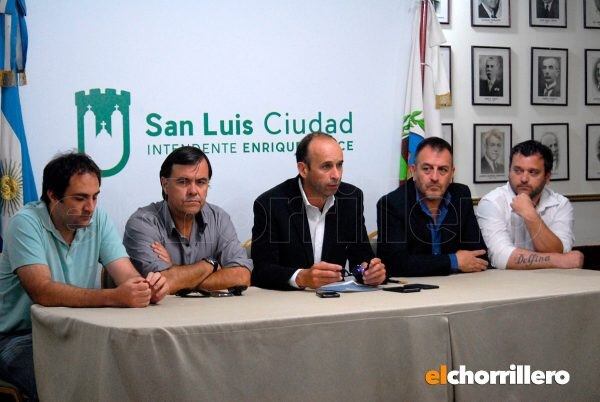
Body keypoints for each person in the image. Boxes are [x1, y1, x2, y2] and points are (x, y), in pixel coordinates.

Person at [0, 152, 168, 400]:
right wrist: (115, 297)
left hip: (80, 332)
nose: (90, 207)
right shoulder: (25, 223)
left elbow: (128, 278)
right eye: (80, 198)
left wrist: (147, 288)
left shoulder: (97, 219)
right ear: (53, 196)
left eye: (95, 197)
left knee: (133, 372)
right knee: (66, 385)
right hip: (21, 336)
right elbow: (42, 292)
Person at [251, 132, 386, 290]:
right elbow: (262, 271)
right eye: (326, 166)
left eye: (339, 165)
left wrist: (370, 272)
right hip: (287, 302)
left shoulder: (350, 198)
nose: (336, 175)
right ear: (303, 169)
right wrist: (301, 277)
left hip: (335, 301)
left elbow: (361, 258)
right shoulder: (271, 204)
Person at [124, 146, 252, 294]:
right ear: (165, 184)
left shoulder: (219, 218)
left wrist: (176, 272)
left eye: (201, 182)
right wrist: (211, 265)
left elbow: (242, 276)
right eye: (183, 182)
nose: (193, 191)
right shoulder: (143, 222)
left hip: (216, 314)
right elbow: (160, 284)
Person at [377, 137, 487, 277]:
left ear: (452, 173)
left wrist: (425, 263)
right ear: (413, 170)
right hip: (413, 292)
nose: (434, 177)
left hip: (459, 287)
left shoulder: (461, 195)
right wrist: (453, 261)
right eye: (427, 169)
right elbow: (395, 264)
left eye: (442, 170)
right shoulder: (391, 204)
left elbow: (480, 255)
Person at [477, 140, 584, 270]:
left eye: (533, 172)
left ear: (547, 177)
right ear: (509, 171)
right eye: (517, 170)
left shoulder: (560, 204)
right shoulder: (492, 202)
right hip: (505, 284)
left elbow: (560, 249)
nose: (523, 179)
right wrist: (558, 260)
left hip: (554, 282)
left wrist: (530, 214)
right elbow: (501, 257)